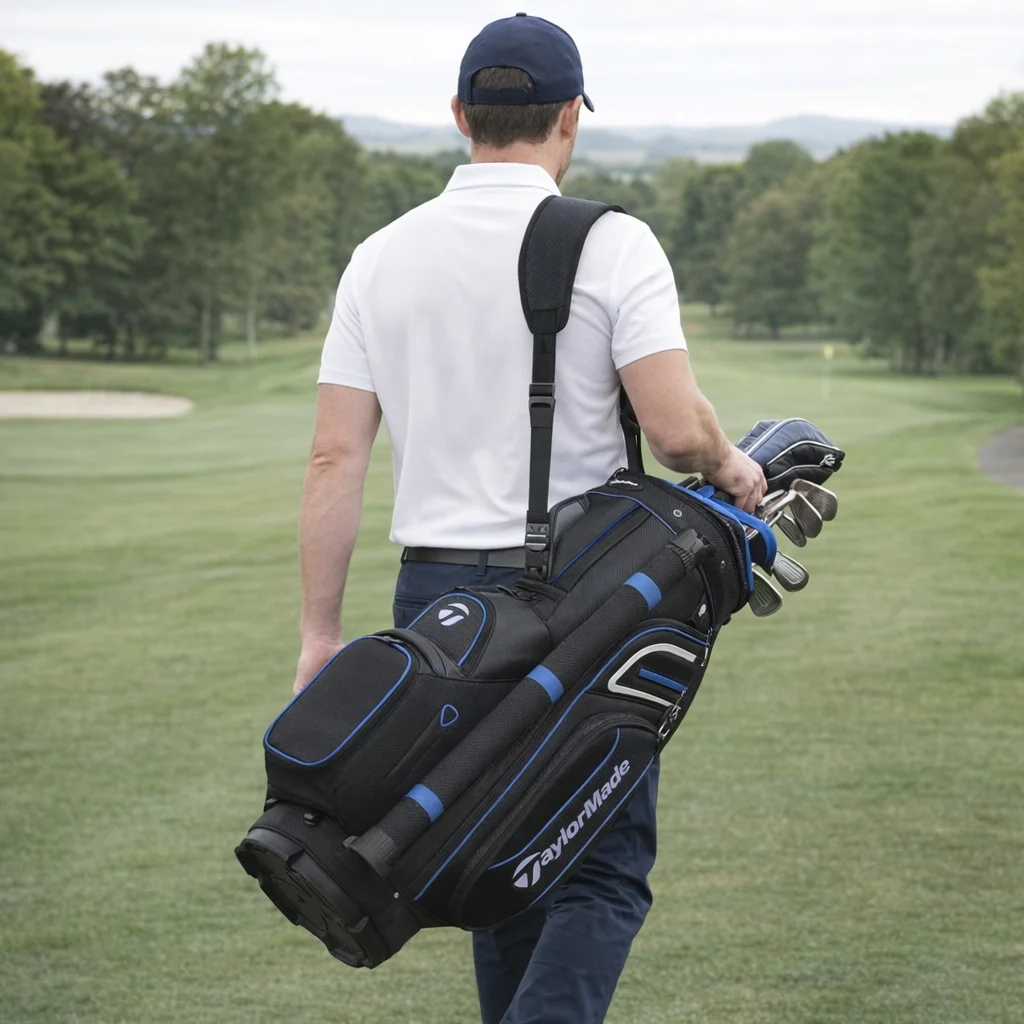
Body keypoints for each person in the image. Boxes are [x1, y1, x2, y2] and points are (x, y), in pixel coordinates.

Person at [292, 13, 766, 1023]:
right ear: (570, 118)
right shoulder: (611, 241)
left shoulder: (379, 255)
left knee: (489, 854)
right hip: (579, 597)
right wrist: (733, 464)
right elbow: (677, 432)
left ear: (461, 115)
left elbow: (336, 454)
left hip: (432, 600)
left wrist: (320, 636)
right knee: (601, 871)